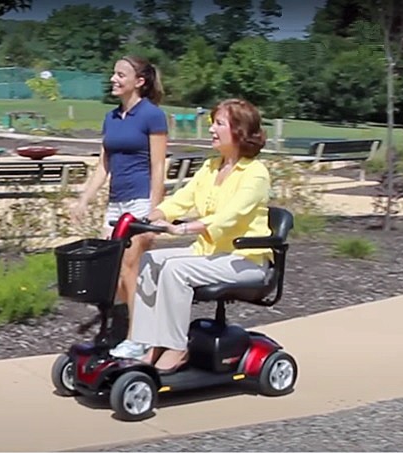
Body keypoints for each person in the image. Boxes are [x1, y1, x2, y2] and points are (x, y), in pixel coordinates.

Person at [109, 98, 273, 374]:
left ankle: (176, 346)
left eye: (219, 124)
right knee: (150, 262)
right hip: (209, 253)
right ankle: (149, 342)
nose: (211, 129)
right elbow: (180, 201)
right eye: (213, 123)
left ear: (239, 131)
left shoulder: (256, 174)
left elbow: (227, 217)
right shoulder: (211, 167)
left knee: (175, 270)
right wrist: (148, 219)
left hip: (246, 259)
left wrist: (183, 228)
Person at [70, 55, 168, 350]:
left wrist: (155, 210)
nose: (113, 79)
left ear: (139, 81)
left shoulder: (152, 115)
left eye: (120, 74)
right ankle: (131, 327)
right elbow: (104, 164)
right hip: (115, 205)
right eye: (113, 73)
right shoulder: (111, 118)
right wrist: (84, 199)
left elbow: (159, 166)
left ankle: (138, 338)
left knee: (129, 266)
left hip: (140, 202)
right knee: (111, 272)